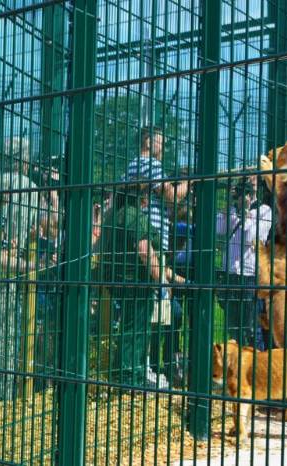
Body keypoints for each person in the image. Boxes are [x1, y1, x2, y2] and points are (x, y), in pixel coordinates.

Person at [122, 127, 192, 386]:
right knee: (153, 309)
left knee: (144, 309)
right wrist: (190, 182)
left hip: (139, 240)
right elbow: (172, 196)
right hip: (149, 239)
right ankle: (144, 368)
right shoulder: (150, 164)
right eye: (161, 142)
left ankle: (143, 366)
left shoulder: (132, 165)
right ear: (149, 141)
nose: (163, 147)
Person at [96, 188, 185, 389]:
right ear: (142, 199)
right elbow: (145, 252)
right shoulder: (134, 216)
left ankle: (123, 374)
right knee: (137, 330)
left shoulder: (113, 215)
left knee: (129, 327)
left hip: (117, 279)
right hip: (135, 281)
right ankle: (130, 378)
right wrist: (160, 281)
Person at [0, 137, 41, 402]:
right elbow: (45, 227)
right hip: (11, 270)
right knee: (6, 338)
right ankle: (2, 397)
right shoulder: (30, 188)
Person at [215, 175, 273, 350]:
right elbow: (217, 229)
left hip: (249, 276)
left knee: (251, 329)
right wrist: (229, 208)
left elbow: (251, 238)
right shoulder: (232, 210)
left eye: (254, 179)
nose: (250, 181)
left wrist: (246, 213)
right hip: (230, 273)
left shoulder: (264, 211)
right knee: (233, 327)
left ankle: (256, 369)